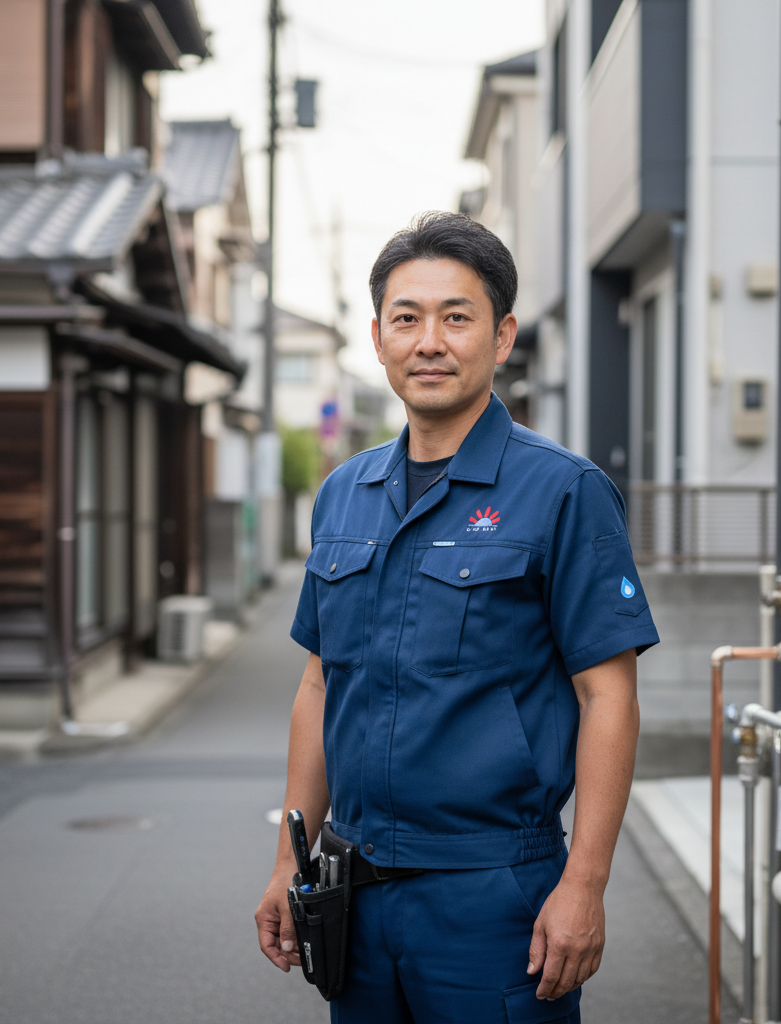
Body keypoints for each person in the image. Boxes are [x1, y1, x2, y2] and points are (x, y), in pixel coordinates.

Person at [255, 211, 659, 1023]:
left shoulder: (563, 491)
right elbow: (317, 685)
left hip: (494, 893)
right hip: (353, 888)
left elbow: (607, 697)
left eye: (457, 316)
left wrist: (585, 883)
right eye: (406, 318)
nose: (428, 341)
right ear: (377, 338)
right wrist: (286, 861)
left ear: (503, 336)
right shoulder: (344, 493)